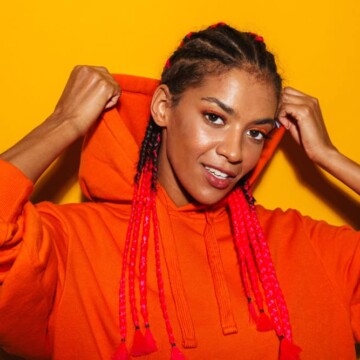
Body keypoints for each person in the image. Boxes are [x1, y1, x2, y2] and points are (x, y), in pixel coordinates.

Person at [0, 23, 359, 360]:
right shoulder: (70, 245)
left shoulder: (311, 247)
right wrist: (65, 122)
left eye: (256, 133)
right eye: (215, 117)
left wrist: (330, 157)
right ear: (162, 107)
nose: (234, 152)